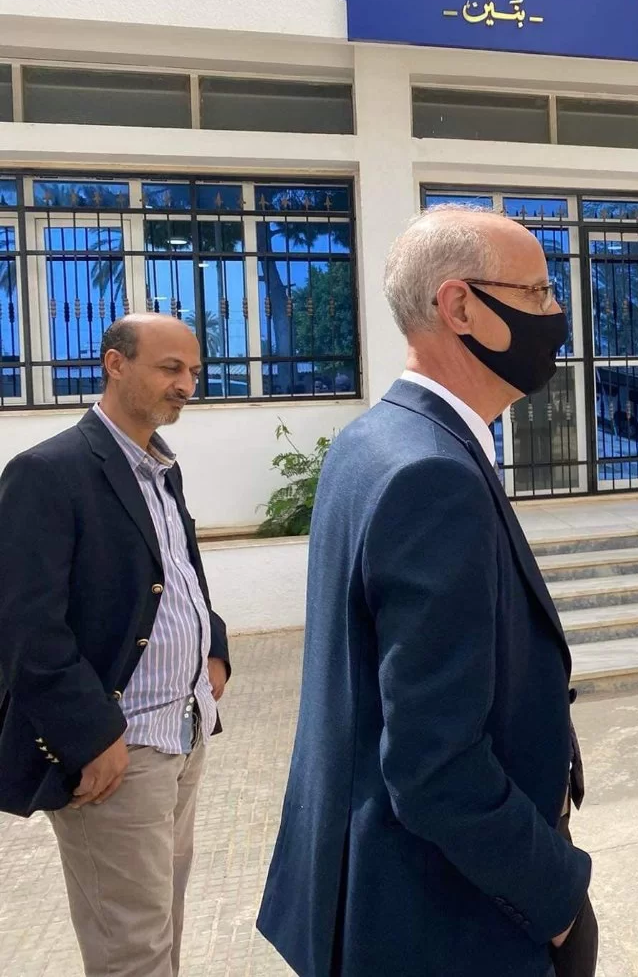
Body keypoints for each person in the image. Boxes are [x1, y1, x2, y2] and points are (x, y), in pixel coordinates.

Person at [257, 206, 596, 977]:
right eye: (539, 293)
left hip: (376, 896)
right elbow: (432, 763)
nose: (556, 315)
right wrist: (555, 895)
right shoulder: (431, 473)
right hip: (442, 918)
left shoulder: (376, 437)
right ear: (460, 306)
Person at [0, 313, 231, 977]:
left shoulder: (160, 467)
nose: (186, 384)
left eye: (193, 372)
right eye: (170, 368)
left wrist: (213, 647)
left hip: (183, 734)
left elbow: (179, 569)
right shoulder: (48, 473)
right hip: (119, 755)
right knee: (132, 951)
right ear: (115, 364)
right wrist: (91, 737)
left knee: (161, 930)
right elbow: (25, 626)